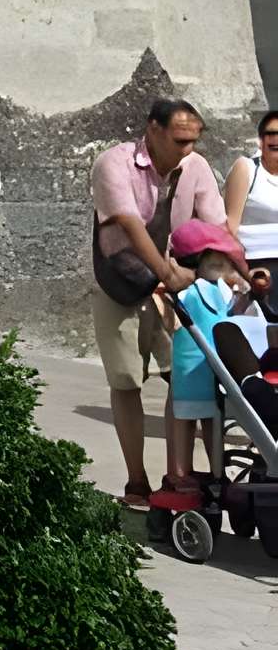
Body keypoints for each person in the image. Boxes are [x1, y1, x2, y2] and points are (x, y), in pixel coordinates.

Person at [90, 95, 225, 509]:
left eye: (194, 140)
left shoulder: (196, 167)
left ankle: (176, 474)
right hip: (120, 279)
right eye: (180, 139)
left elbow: (214, 226)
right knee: (127, 379)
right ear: (153, 130)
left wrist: (230, 272)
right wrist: (166, 276)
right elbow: (129, 225)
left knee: (183, 375)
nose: (188, 149)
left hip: (176, 283)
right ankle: (136, 481)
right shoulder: (112, 164)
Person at [164, 219, 248, 488]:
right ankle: (187, 472)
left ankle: (206, 472)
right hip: (197, 366)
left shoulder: (213, 292)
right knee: (193, 421)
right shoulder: (194, 293)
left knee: (204, 421)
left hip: (210, 367)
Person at [225, 109, 278, 287]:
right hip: (256, 261)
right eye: (271, 134)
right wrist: (245, 274)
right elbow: (229, 228)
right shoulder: (247, 168)